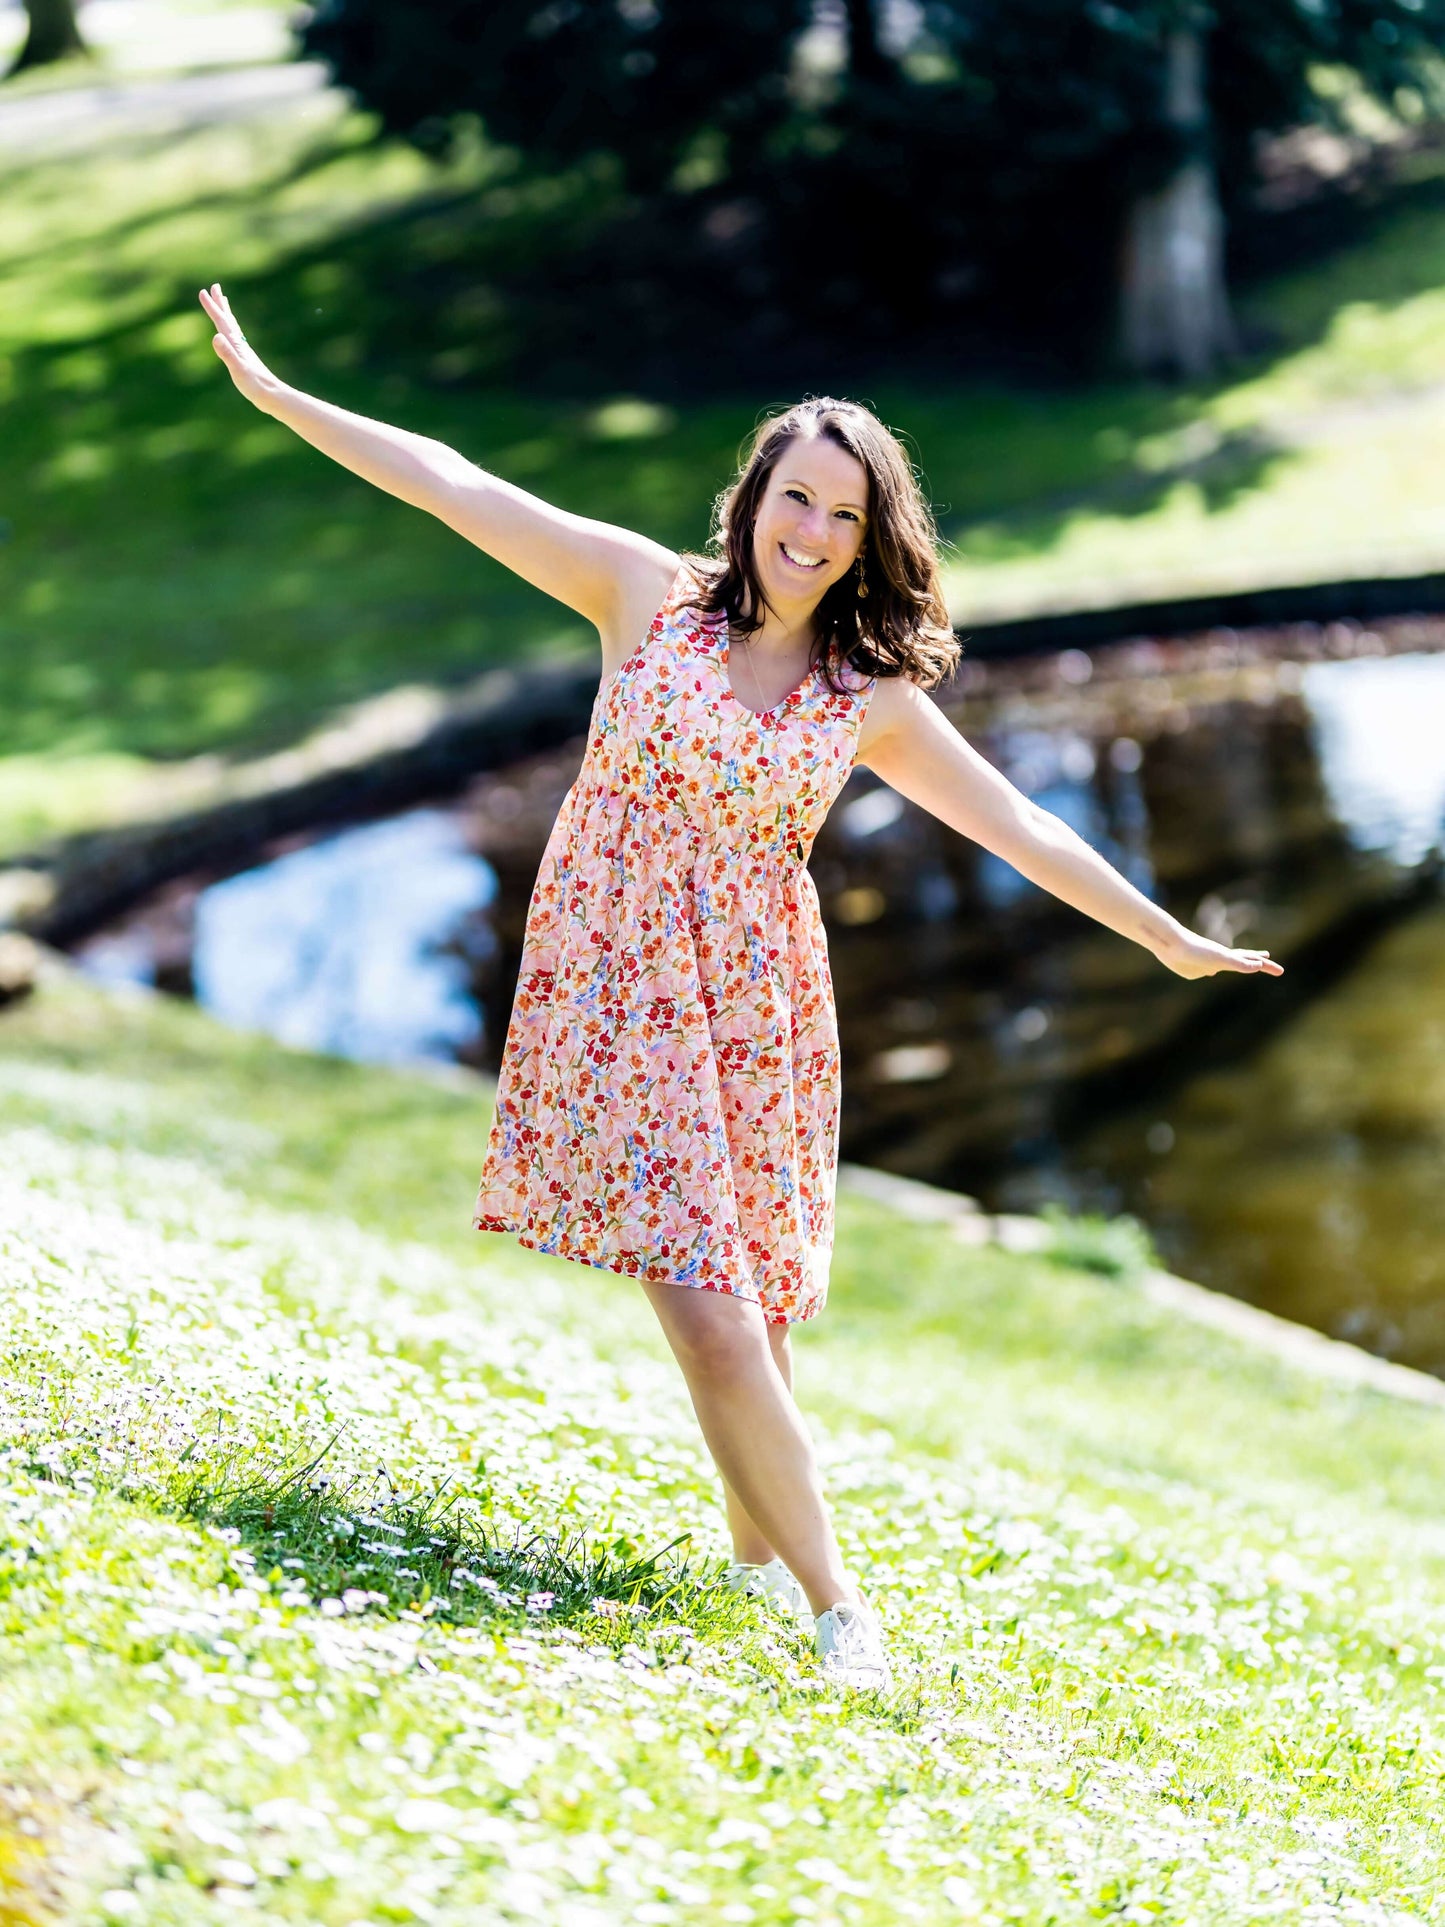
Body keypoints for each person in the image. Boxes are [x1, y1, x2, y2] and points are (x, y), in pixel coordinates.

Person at [199, 283, 1283, 1691]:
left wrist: (1162, 937)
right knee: (710, 1308)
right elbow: (456, 484)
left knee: (756, 1317)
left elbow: (1020, 825)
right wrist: (281, 396)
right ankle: (842, 1613)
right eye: (796, 498)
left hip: (758, 1004)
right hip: (615, 981)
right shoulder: (643, 598)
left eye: (843, 515)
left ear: (869, 536)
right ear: (752, 494)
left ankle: (749, 1566)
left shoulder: (867, 693)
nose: (813, 532)